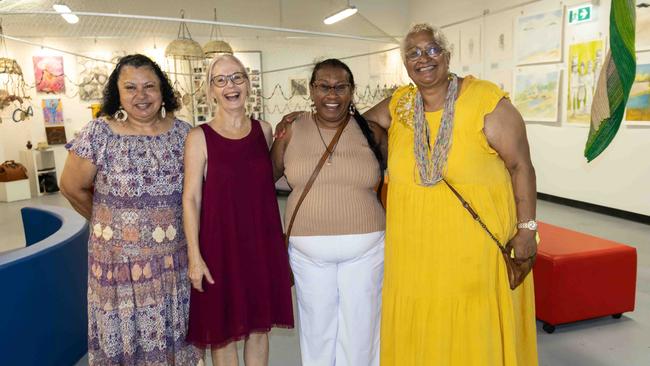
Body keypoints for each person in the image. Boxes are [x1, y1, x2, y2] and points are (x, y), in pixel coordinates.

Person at [361, 23, 539, 365]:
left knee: (472, 317)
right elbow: (357, 124)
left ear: (447, 56)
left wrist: (527, 228)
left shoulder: (486, 100)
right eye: (413, 53)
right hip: (414, 251)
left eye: (431, 50)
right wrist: (306, 121)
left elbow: (522, 167)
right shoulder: (400, 104)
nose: (423, 59)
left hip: (472, 248)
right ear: (406, 64)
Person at [60, 54, 202, 365]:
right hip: (117, 266)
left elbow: (198, 192)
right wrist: (108, 225)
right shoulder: (98, 133)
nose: (141, 95)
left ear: (162, 91)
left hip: (173, 262)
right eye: (131, 87)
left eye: (150, 86)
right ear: (118, 94)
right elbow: (72, 187)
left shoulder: (184, 134)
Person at [270, 58, 387, 366]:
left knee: (362, 327)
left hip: (368, 249)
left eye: (341, 87)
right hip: (308, 253)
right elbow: (265, 180)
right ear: (311, 90)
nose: (331, 95)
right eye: (323, 86)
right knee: (317, 329)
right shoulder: (291, 130)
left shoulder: (372, 131)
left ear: (352, 91)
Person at [183, 54, 294, 366]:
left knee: (260, 329)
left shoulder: (265, 130)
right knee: (224, 332)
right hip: (219, 248)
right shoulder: (198, 138)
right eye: (221, 80)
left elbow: (271, 177)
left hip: (261, 244)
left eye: (237, 77)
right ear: (210, 91)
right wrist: (195, 256)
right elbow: (190, 199)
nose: (230, 85)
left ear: (248, 84)